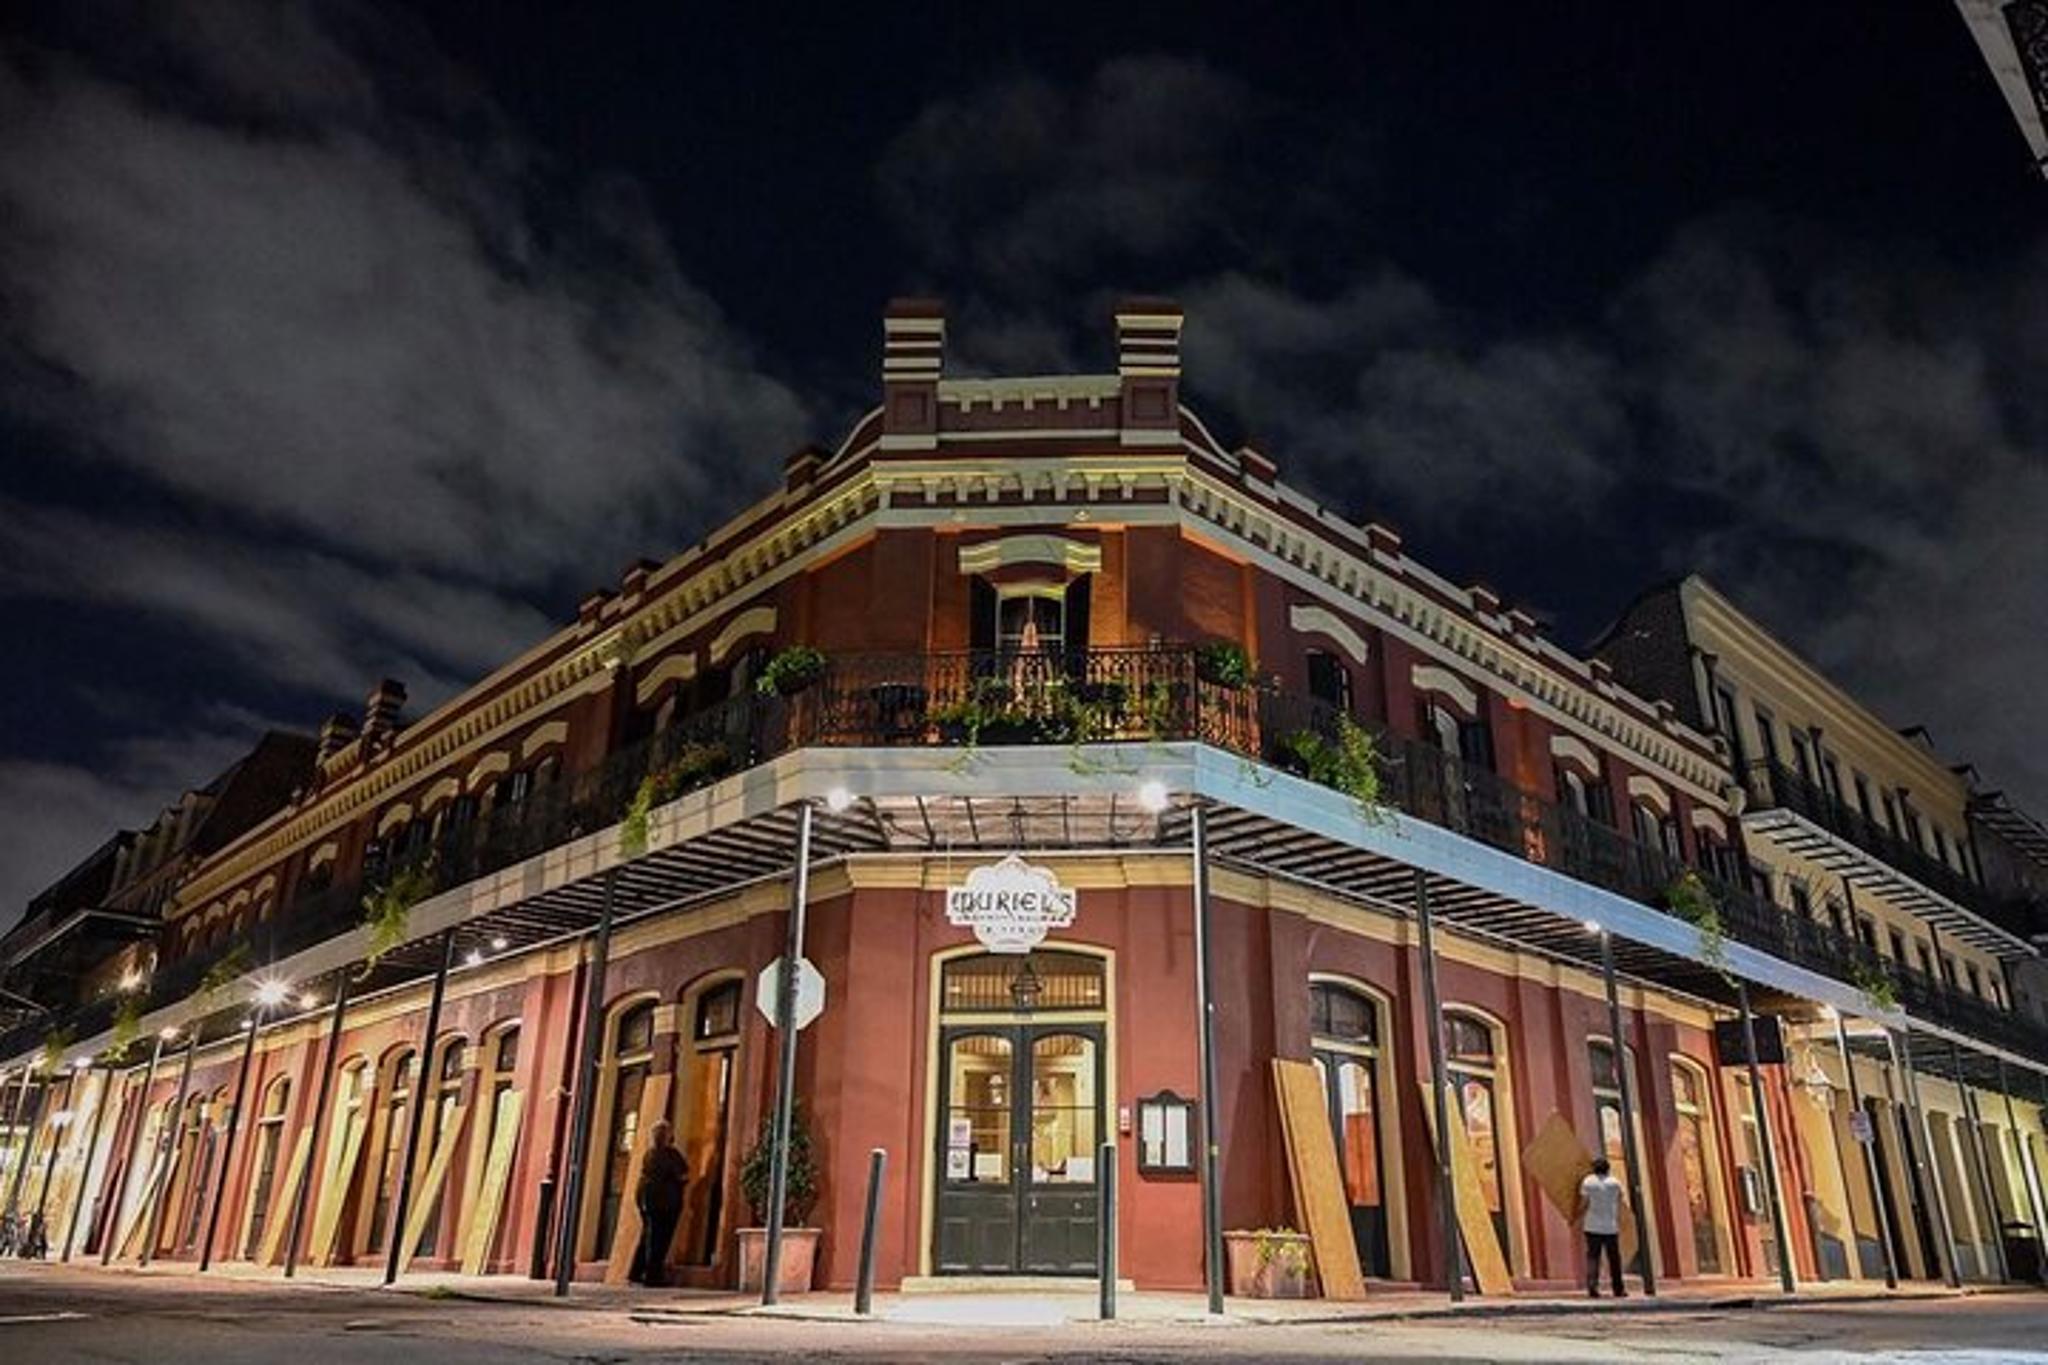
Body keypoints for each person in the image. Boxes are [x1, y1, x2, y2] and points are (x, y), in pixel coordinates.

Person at [630, 1120, 688, 1287]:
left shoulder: (649, 1153)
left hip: (646, 1198)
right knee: (659, 1239)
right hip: (665, 1201)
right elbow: (682, 1175)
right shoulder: (671, 1154)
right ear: (668, 1136)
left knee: (648, 1235)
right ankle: (652, 1276)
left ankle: (636, 1271)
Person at [1579, 1155, 1625, 1298]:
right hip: (1610, 1226)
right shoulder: (1615, 1183)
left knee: (1593, 1257)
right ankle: (1618, 1289)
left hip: (1592, 1225)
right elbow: (1620, 1198)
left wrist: (1576, 1215)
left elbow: (1584, 1202)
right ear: (1608, 1169)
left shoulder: (1588, 1182)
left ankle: (1593, 1287)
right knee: (1614, 1259)